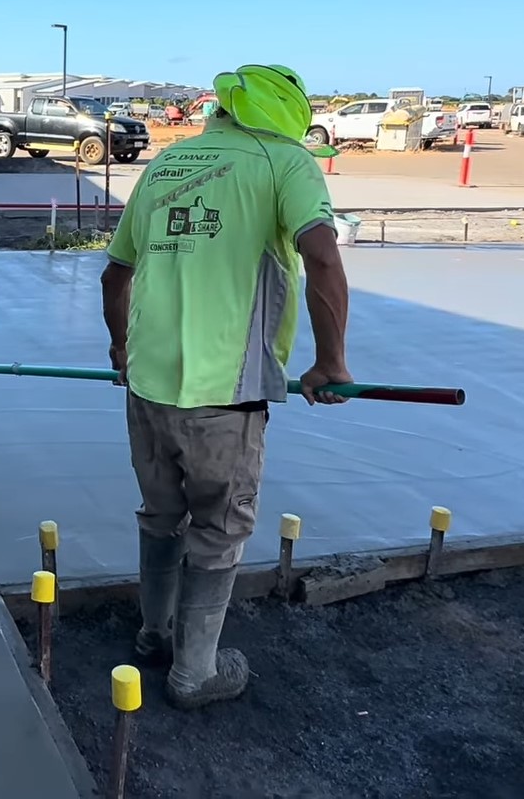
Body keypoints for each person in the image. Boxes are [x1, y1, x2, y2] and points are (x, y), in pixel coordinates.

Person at [100, 64, 352, 710]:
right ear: (286, 114)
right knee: (218, 528)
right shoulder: (284, 164)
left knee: (162, 516)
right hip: (224, 399)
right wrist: (331, 363)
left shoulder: (164, 166)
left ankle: (154, 636)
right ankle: (194, 674)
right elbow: (321, 254)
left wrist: (123, 348)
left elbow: (115, 275)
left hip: (147, 389)